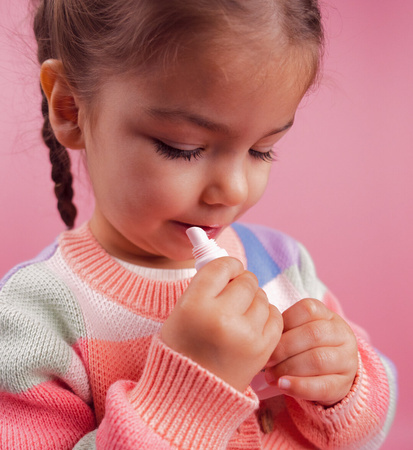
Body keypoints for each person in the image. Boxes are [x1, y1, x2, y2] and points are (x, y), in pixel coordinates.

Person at [0, 0, 397, 448]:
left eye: (262, 150)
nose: (232, 190)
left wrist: (343, 388)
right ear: (71, 108)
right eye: (183, 148)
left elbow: (368, 431)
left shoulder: (281, 264)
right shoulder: (35, 319)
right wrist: (190, 394)